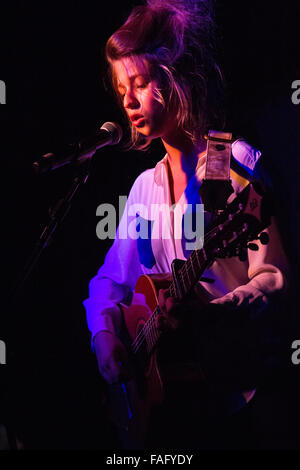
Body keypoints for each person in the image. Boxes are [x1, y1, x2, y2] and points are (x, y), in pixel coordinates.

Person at [83, 0, 288, 449]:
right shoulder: (142, 188)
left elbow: (275, 280)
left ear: (175, 77)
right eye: (121, 90)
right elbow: (109, 283)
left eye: (139, 82)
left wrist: (209, 315)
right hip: (169, 411)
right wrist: (104, 337)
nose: (129, 101)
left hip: (237, 403)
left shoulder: (233, 164)